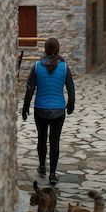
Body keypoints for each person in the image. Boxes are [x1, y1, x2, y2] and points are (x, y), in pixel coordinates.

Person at [22, 37, 75, 185]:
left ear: (45, 50)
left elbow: (29, 88)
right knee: (54, 141)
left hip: (41, 110)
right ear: (58, 50)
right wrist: (71, 104)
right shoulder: (64, 67)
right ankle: (52, 174)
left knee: (41, 138)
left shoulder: (37, 66)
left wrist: (25, 106)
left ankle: (42, 166)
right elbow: (71, 88)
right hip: (58, 110)